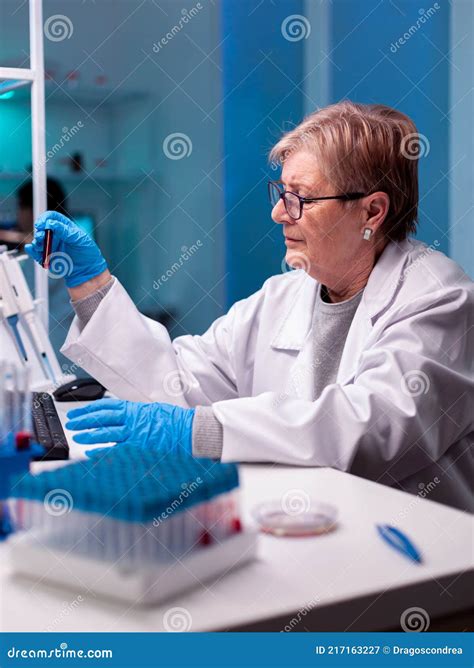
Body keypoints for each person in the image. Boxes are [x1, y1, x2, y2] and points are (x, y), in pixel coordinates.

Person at [25, 102, 473, 511]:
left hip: (422, 559)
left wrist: (199, 432)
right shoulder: (283, 295)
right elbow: (177, 383)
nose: (280, 212)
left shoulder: (439, 299)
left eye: (301, 198)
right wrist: (93, 286)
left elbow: (370, 429)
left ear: (372, 212)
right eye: (281, 192)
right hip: (311, 528)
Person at [14, 177, 75, 371]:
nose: (18, 215)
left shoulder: (47, 251)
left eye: (20, 208)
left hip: (56, 358)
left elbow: (20, 298)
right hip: (68, 355)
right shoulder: (67, 245)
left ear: (33, 211)